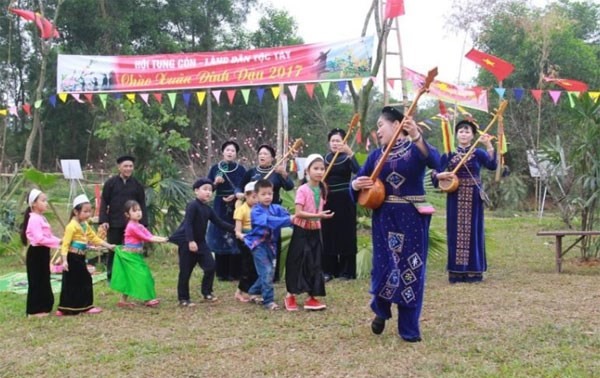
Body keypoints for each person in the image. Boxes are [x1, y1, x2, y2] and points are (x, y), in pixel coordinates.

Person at [350, 106, 440, 342]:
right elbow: (358, 179)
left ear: (397, 126)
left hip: (411, 216)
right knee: (385, 266)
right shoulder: (376, 156)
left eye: (381, 125)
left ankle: (409, 329)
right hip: (384, 217)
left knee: (411, 269)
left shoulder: (414, 150)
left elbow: (436, 161)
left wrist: (418, 136)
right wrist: (356, 185)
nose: (378, 130)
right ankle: (381, 309)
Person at [433, 120, 497, 283]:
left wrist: (488, 144)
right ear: (456, 134)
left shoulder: (478, 153)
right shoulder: (449, 153)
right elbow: (436, 173)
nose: (464, 134)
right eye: (461, 131)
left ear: (472, 135)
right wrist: (440, 176)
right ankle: (456, 272)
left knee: (473, 231)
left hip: (473, 197)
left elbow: (492, 165)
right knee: (455, 232)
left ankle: (473, 272)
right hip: (455, 196)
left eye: (467, 131)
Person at [170, 178, 235, 307]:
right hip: (187, 242)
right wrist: (190, 241)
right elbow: (188, 224)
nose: (208, 192)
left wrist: (237, 230)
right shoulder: (192, 205)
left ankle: (207, 292)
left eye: (210, 190)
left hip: (200, 242)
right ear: (196, 191)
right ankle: (183, 298)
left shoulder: (207, 209)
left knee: (210, 266)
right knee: (185, 271)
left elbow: (220, 223)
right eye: (205, 189)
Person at [284, 154, 333, 312]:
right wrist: (318, 216)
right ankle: (290, 295)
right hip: (301, 230)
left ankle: (312, 297)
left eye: (322, 169)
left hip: (315, 231)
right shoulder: (302, 190)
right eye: (316, 168)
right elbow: (298, 213)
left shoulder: (323, 188)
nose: (319, 172)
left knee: (315, 263)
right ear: (307, 170)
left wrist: (318, 218)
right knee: (297, 261)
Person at [240, 144, 294, 282]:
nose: (262, 156)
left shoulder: (277, 172)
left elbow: (289, 187)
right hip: (256, 211)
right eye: (260, 154)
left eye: (266, 154)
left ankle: (273, 276)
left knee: (274, 242)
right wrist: (238, 194)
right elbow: (239, 187)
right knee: (258, 242)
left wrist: (284, 174)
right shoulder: (252, 172)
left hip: (274, 210)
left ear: (272, 158)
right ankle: (256, 276)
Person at [57, 195, 115, 316]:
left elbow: (93, 238)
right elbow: (65, 244)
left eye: (90, 211)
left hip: (80, 257)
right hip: (72, 257)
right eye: (85, 211)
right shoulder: (71, 226)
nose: (88, 214)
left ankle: (66, 308)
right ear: (76, 211)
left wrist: (108, 245)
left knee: (75, 281)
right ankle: (83, 306)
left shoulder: (84, 225)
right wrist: (64, 260)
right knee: (81, 280)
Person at [244, 179, 293, 311]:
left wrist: (298, 218)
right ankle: (268, 301)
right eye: (263, 194)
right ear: (256, 196)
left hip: (271, 245)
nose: (267, 197)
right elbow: (270, 222)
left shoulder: (276, 208)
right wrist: (289, 220)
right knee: (266, 271)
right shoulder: (256, 211)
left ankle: (253, 291)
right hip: (258, 245)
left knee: (268, 272)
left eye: (270, 194)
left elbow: (290, 217)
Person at [111, 200, 168, 308]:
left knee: (129, 277)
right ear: (127, 214)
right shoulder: (132, 226)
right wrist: (164, 240)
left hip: (135, 256)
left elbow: (149, 235)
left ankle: (123, 301)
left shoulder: (139, 225)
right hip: (129, 256)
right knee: (144, 275)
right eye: (134, 211)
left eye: (139, 210)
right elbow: (148, 238)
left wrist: (165, 239)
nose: (138, 212)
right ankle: (147, 299)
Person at [99, 155, 147, 283]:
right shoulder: (111, 183)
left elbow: (142, 204)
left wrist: (143, 224)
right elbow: (104, 202)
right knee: (113, 249)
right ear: (119, 167)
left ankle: (129, 275)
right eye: (125, 166)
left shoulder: (137, 185)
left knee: (130, 251)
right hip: (114, 222)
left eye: (130, 166)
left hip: (131, 225)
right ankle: (111, 276)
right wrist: (104, 220)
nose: (128, 168)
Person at [322, 128, 360, 281]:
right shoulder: (324, 159)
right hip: (328, 199)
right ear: (328, 143)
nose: (335, 143)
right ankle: (328, 270)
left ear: (344, 142)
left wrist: (351, 153)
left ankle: (347, 271)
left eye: (338, 140)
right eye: (332, 141)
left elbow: (360, 171)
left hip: (345, 199)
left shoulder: (347, 158)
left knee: (345, 233)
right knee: (328, 233)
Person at [207, 141, 247, 281]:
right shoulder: (214, 169)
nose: (230, 152)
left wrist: (235, 194)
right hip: (219, 205)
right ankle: (221, 273)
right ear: (223, 152)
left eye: (233, 151)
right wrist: (215, 183)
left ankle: (235, 273)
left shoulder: (241, 169)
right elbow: (207, 189)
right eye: (227, 150)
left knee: (236, 233)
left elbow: (244, 186)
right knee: (220, 234)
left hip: (237, 205)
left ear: (236, 154)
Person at [21, 189, 61, 317]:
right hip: (36, 253)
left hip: (43, 252)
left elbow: (48, 236)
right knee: (36, 281)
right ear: (33, 204)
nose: (46, 203)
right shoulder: (34, 219)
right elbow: (39, 239)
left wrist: (60, 241)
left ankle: (44, 307)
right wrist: (57, 243)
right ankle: (34, 310)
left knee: (44, 279)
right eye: (43, 201)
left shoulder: (41, 218)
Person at [233, 181, 259, 303]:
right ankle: (241, 291)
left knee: (256, 266)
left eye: (258, 197)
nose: (256, 200)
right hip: (246, 240)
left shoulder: (260, 209)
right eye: (253, 197)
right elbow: (237, 231)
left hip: (257, 238)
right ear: (246, 196)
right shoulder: (241, 210)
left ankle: (252, 291)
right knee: (247, 266)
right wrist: (243, 236)